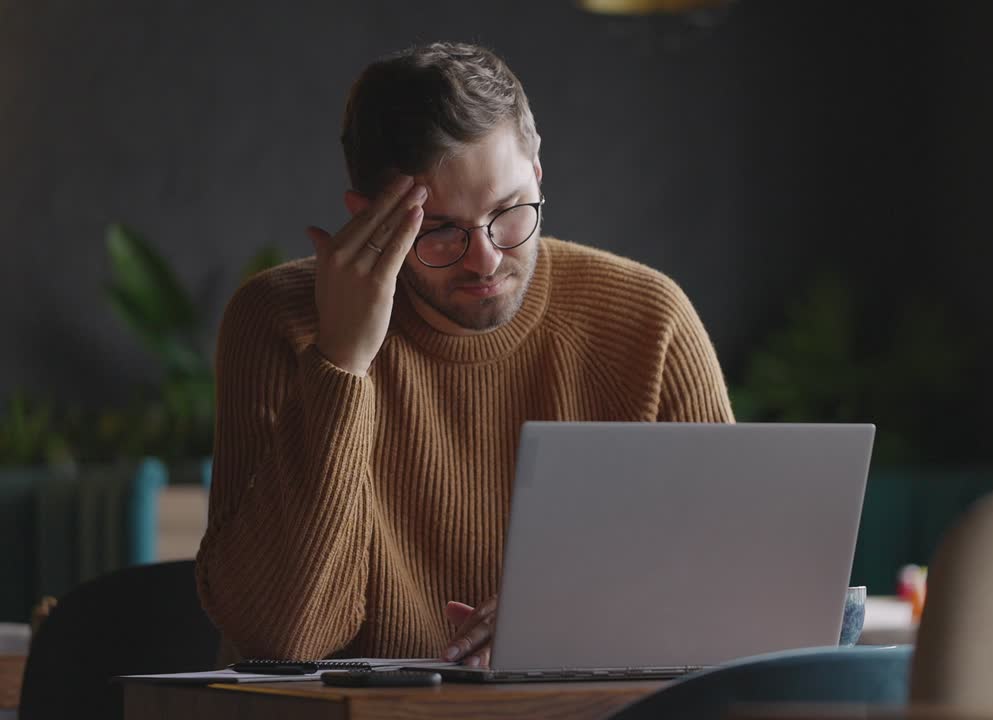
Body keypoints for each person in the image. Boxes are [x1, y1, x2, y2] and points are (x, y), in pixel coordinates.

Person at [195, 42, 734, 667]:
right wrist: (341, 361)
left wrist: (580, 608)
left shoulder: (650, 319)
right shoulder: (278, 321)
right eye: (441, 230)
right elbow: (282, 639)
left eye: (509, 212)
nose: (485, 259)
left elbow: (735, 585)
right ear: (366, 216)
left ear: (537, 170)